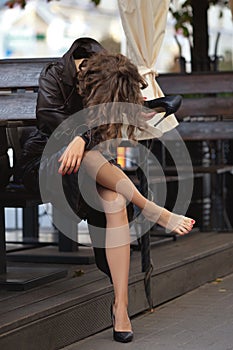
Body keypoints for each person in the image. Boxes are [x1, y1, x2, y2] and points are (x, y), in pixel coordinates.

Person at [19, 38, 195, 343]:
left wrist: (133, 112)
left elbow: (102, 123)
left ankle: (121, 307)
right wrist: (82, 137)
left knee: (113, 202)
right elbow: (54, 124)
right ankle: (151, 208)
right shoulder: (53, 76)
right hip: (45, 164)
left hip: (93, 166)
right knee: (89, 156)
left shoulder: (108, 72)